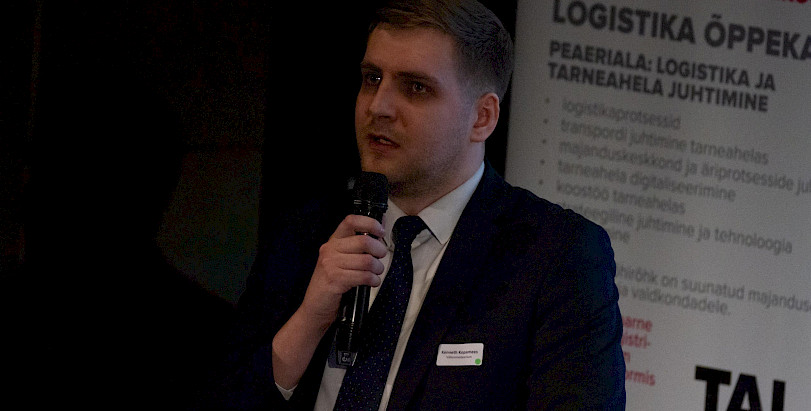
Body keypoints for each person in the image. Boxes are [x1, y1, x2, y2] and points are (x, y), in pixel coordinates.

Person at [208, 0, 625, 409]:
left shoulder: (557, 257)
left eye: (416, 87)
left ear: (482, 117)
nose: (378, 107)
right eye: (372, 78)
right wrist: (309, 321)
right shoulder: (306, 233)